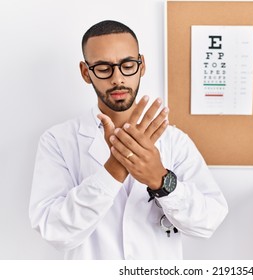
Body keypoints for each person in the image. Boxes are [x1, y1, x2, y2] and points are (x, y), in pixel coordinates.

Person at [29, 20, 228, 260]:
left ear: (141, 66)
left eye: (127, 65)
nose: (117, 79)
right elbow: (54, 231)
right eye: (103, 68)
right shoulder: (58, 141)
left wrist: (161, 180)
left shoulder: (175, 141)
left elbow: (209, 221)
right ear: (85, 72)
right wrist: (114, 170)